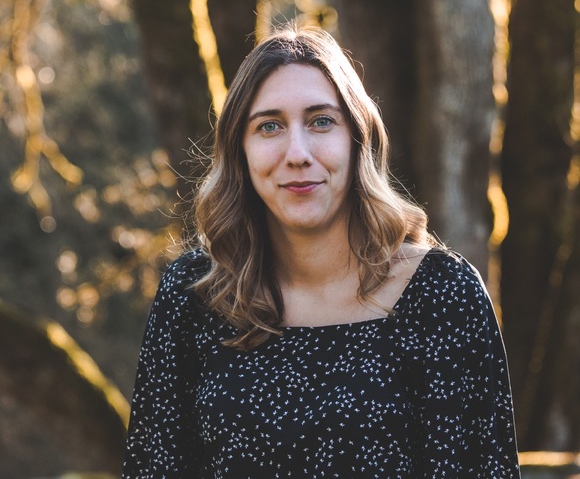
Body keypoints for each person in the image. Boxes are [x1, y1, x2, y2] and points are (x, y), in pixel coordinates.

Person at [123, 25, 520, 477]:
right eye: (269, 126)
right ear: (240, 150)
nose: (297, 153)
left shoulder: (443, 296)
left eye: (321, 121)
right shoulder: (194, 295)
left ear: (358, 139)